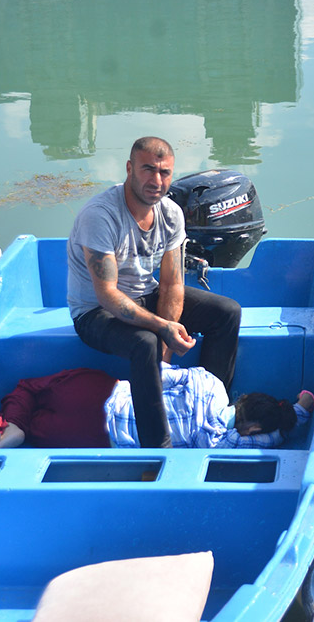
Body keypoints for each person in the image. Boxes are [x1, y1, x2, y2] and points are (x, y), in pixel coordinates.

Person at [67, 136, 242, 448]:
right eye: (148, 170)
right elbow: (106, 293)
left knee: (227, 312)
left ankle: (210, 411)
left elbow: (173, 283)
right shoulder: (100, 215)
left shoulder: (171, 214)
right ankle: (157, 449)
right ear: (129, 169)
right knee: (145, 343)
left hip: (146, 295)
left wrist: (169, 335)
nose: (157, 181)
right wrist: (162, 330)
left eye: (165, 173)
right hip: (96, 312)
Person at [0, 365, 314, 449]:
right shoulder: (224, 442)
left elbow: (154, 374)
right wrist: (300, 412)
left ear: (243, 399)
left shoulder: (210, 383)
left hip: (100, 391)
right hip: (98, 433)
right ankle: (18, 432)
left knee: (31, 388)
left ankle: (8, 422)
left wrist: (301, 401)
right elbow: (276, 436)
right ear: (251, 429)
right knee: (41, 433)